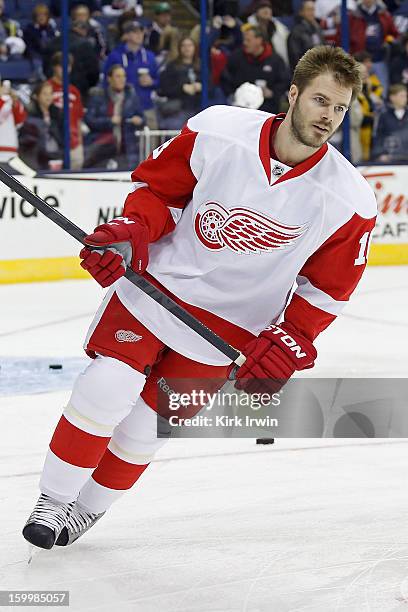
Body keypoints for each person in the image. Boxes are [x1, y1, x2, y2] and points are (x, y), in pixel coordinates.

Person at [22, 45, 377, 550]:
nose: (329, 117)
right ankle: (51, 502)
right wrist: (130, 233)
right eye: (321, 101)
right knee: (107, 387)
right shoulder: (219, 129)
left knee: (147, 426)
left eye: (340, 108)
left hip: (230, 329)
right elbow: (159, 194)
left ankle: (85, 512)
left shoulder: (350, 200)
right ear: (293, 93)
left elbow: (326, 290)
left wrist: (290, 340)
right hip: (159, 288)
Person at [84, 64, 144, 169]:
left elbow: (142, 118)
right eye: (118, 76)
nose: (122, 79)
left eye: (124, 76)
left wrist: (139, 120)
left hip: (127, 147)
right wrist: (110, 121)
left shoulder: (132, 96)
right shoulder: (98, 96)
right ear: (109, 79)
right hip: (102, 146)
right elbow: (90, 120)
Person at [104, 20, 159, 130]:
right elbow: (106, 81)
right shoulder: (115, 56)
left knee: (152, 143)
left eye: (141, 32)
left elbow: (159, 81)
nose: (139, 35)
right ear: (126, 35)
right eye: (135, 32)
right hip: (123, 109)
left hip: (146, 106)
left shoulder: (150, 56)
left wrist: (151, 82)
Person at [221, 25, 289, 114]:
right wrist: (233, 95)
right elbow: (225, 78)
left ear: (259, 40)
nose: (244, 43)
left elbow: (284, 81)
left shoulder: (275, 60)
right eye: (244, 40)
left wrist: (272, 93)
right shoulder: (236, 57)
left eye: (248, 40)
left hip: (267, 110)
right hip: (240, 109)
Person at [47, 52, 85, 170]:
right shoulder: (47, 88)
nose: (65, 69)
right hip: (54, 143)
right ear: (54, 67)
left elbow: (78, 119)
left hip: (74, 144)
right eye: (61, 65)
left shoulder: (74, 91)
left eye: (68, 66)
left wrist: (80, 143)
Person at [157, 36, 201, 129]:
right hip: (178, 111)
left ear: (195, 47)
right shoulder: (172, 67)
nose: (187, 48)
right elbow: (164, 89)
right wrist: (182, 88)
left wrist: (201, 87)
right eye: (183, 46)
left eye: (189, 45)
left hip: (198, 109)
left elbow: (212, 86)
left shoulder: (201, 66)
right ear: (179, 48)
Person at [19, 80, 64, 170]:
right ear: (36, 96)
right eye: (45, 94)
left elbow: (61, 136)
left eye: (50, 93)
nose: (48, 97)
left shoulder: (57, 113)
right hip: (36, 159)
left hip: (56, 156)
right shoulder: (30, 114)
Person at [371, 82, 408, 160]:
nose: (405, 98)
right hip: (390, 158)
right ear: (392, 97)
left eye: (405, 96)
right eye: (402, 96)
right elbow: (379, 137)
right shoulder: (383, 116)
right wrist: (380, 154)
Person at [247, 0, 290, 67]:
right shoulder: (249, 29)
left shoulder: (280, 28)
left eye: (269, 7)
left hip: (278, 65)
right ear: (256, 12)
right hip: (257, 66)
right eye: (262, 7)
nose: (266, 10)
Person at [287, 0, 325, 71]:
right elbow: (295, 59)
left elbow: (325, 49)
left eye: (313, 9)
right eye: (308, 10)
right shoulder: (296, 32)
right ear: (301, 12)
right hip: (306, 73)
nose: (312, 13)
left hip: (320, 69)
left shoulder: (318, 29)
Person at [0, 79, 26, 163]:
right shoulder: (4, 100)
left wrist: (15, 102)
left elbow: (20, 122)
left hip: (11, 151)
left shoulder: (7, 101)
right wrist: (2, 100)